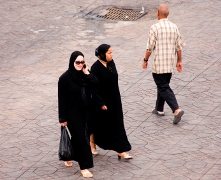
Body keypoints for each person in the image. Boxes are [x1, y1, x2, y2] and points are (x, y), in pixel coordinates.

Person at [142, 4, 185, 124]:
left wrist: (145, 60)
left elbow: (149, 47)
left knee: (163, 87)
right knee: (163, 85)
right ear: (168, 14)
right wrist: (179, 61)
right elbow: (179, 46)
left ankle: (176, 109)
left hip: (159, 64)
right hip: (170, 63)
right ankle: (159, 109)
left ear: (157, 13)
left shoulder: (154, 27)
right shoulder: (174, 27)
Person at [58, 51, 98, 178]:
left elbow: (96, 85)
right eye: (78, 62)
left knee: (79, 137)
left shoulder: (84, 75)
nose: (80, 64)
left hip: (86, 113)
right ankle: (84, 167)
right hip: (72, 115)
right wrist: (62, 118)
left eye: (82, 62)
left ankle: (69, 155)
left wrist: (87, 73)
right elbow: (62, 100)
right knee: (82, 139)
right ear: (72, 62)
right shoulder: (64, 78)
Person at [89, 44, 132, 159]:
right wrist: (101, 103)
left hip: (114, 100)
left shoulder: (111, 64)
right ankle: (92, 145)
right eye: (109, 53)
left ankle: (121, 149)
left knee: (117, 123)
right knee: (98, 125)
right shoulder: (95, 68)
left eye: (112, 52)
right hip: (102, 102)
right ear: (102, 54)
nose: (111, 55)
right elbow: (94, 88)